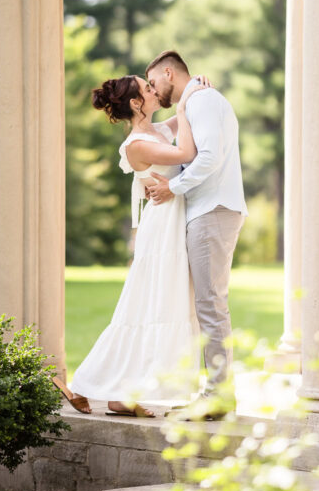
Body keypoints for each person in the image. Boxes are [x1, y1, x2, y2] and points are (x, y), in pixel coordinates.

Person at [52, 73, 206, 417]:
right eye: (148, 89)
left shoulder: (157, 130)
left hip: (172, 220)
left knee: (161, 306)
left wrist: (193, 85)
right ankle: (86, 385)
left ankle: (126, 396)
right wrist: (185, 103)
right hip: (162, 228)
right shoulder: (137, 143)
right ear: (136, 103)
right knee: (149, 307)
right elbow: (187, 151)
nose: (155, 92)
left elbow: (184, 114)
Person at [145, 51, 247, 419]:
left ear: (169, 73)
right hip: (207, 211)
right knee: (206, 303)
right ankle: (214, 392)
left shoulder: (204, 101)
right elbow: (155, 136)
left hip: (213, 210)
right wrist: (181, 108)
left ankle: (219, 396)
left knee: (210, 304)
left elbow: (208, 158)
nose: (154, 92)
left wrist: (175, 188)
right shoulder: (195, 103)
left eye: (155, 84)